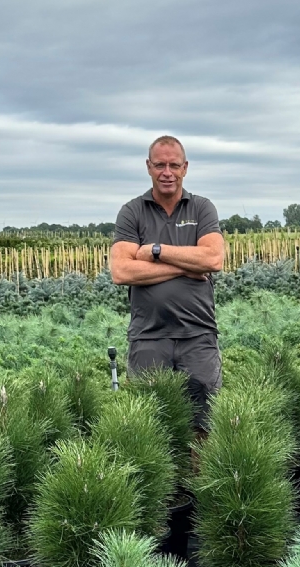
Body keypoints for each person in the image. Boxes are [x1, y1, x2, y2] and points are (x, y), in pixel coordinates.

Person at [111, 136, 224, 433]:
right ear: (148, 167)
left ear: (185, 168)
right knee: (149, 428)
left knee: (203, 425)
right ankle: (161, 482)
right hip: (148, 338)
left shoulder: (202, 209)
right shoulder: (132, 211)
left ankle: (197, 481)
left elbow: (213, 259)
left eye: (174, 165)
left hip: (197, 337)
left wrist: (156, 252)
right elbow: (121, 271)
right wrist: (185, 267)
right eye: (159, 165)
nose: (167, 172)